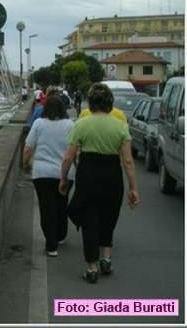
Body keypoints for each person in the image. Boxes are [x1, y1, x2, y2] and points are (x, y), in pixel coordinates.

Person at [59, 83, 139, 284]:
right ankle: (106, 259)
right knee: (108, 217)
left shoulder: (81, 124)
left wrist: (63, 179)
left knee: (89, 221)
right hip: (112, 176)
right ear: (110, 103)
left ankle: (92, 267)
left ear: (91, 102)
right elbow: (128, 161)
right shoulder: (120, 126)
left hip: (88, 175)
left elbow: (68, 157)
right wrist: (133, 188)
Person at [23, 95, 75, 257]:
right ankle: (61, 235)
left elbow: (28, 147)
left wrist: (25, 164)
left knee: (47, 209)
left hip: (42, 173)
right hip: (65, 173)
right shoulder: (70, 125)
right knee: (61, 204)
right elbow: (75, 149)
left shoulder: (39, 124)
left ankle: (51, 246)